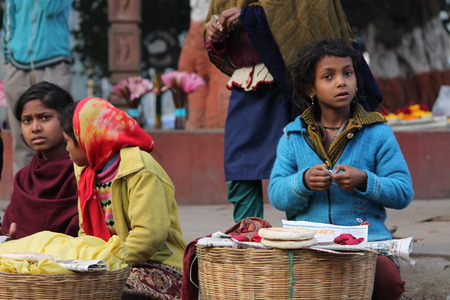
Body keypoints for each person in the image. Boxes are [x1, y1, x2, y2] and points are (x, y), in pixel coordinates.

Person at [203, 0, 382, 223]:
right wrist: (215, 33)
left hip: (297, 84)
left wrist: (248, 16)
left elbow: (306, 15)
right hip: (248, 85)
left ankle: (304, 232)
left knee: (304, 160)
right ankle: (247, 235)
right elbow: (216, 42)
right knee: (241, 166)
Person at [268, 39, 414, 300]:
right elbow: (277, 194)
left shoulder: (377, 132)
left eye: (348, 73)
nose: (341, 82)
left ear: (357, 80)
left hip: (367, 243)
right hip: (307, 243)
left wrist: (365, 180)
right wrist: (302, 182)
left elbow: (403, 192)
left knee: (387, 282)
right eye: (328, 76)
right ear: (310, 88)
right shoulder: (293, 136)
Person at [61, 97, 187, 300]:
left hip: (158, 265)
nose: (66, 148)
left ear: (87, 139)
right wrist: (88, 261)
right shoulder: (86, 172)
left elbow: (149, 235)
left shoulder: (141, 169)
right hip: (110, 262)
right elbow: (85, 231)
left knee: (109, 289)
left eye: (67, 141)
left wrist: (106, 263)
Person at [1, 81, 78, 239]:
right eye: (27, 120)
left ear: (66, 120)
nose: (35, 128)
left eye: (44, 117)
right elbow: (10, 232)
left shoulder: (82, 172)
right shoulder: (23, 178)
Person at [3, 0, 73, 175]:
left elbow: (50, 7)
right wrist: (9, 59)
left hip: (54, 64)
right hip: (17, 66)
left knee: (61, 133)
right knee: (22, 137)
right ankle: (24, 192)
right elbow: (9, 23)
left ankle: (59, 188)